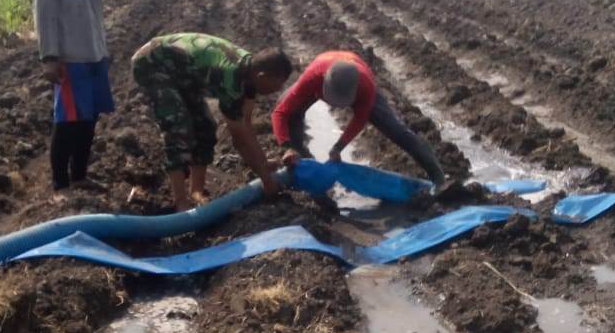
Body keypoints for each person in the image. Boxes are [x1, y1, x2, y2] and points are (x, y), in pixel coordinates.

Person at [132, 33, 292, 211]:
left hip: (183, 72)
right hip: (153, 64)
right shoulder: (232, 78)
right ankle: (181, 203)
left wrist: (263, 164)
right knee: (178, 127)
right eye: (277, 85)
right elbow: (239, 139)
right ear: (262, 76)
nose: (278, 90)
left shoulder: (250, 73)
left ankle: (196, 192)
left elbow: (246, 124)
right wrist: (266, 180)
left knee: (205, 126)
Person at [33, 0, 113, 199]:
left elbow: (96, 1)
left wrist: (102, 45)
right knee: (68, 120)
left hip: (93, 48)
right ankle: (60, 185)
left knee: (89, 116)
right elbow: (44, 6)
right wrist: (50, 56)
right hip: (68, 52)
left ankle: (79, 176)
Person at [272, 50, 447, 187]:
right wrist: (286, 147)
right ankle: (299, 168)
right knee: (291, 112)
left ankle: (438, 178)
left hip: (356, 71)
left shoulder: (365, 86)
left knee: (394, 129)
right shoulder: (313, 77)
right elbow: (279, 113)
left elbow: (360, 119)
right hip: (325, 65)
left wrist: (338, 148)